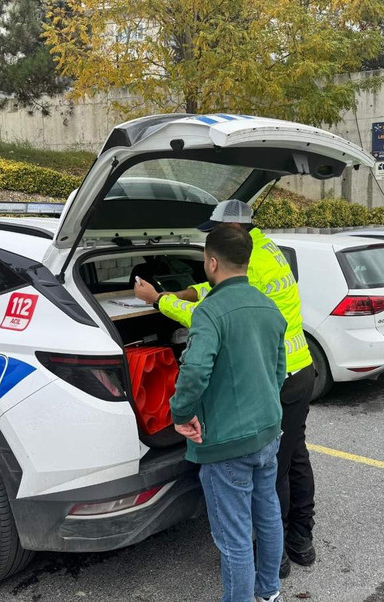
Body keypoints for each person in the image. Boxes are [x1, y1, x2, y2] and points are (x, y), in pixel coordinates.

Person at [135, 200, 316, 578]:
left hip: (275, 376)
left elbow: (214, 315)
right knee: (294, 457)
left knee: (276, 474)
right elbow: (221, 287)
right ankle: (301, 540)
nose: (209, 242)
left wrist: (159, 301)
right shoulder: (263, 249)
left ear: (231, 232)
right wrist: (187, 291)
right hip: (298, 370)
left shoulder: (253, 265)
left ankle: (275, 557)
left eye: (214, 235)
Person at [169, 224, 286, 602]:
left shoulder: (210, 311)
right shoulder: (269, 306)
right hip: (268, 432)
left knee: (234, 538)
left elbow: (196, 370)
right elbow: (278, 369)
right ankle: (269, 593)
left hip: (226, 444)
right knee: (267, 516)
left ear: (212, 262)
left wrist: (180, 412)